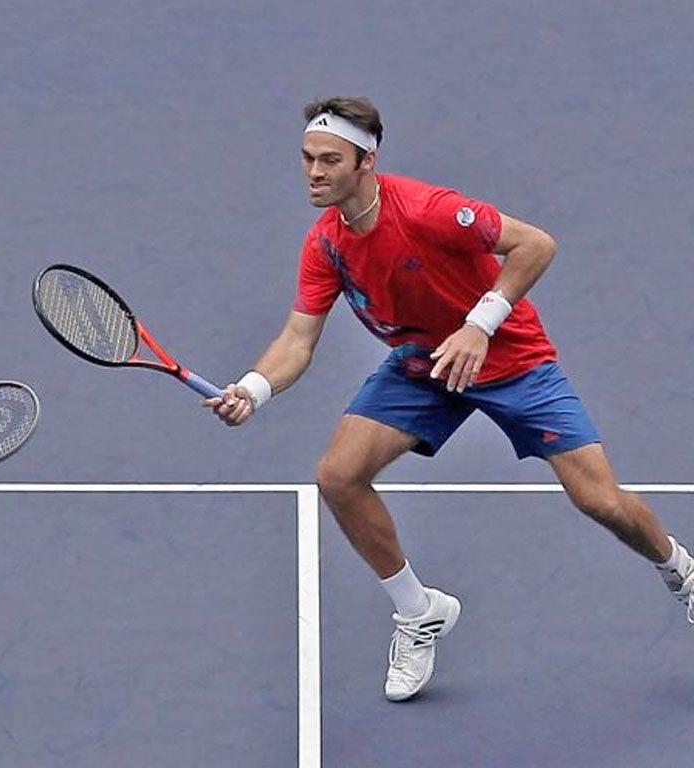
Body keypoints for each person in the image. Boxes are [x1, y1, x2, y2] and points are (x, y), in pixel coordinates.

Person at [205, 96, 694, 702]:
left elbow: (535, 244)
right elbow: (298, 338)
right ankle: (419, 612)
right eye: (307, 159)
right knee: (338, 475)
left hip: (510, 359)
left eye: (330, 160)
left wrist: (478, 324)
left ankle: (680, 569)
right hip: (420, 368)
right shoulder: (326, 243)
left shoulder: (430, 210)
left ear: (367, 162)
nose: (314, 173)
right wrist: (254, 388)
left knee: (600, 501)